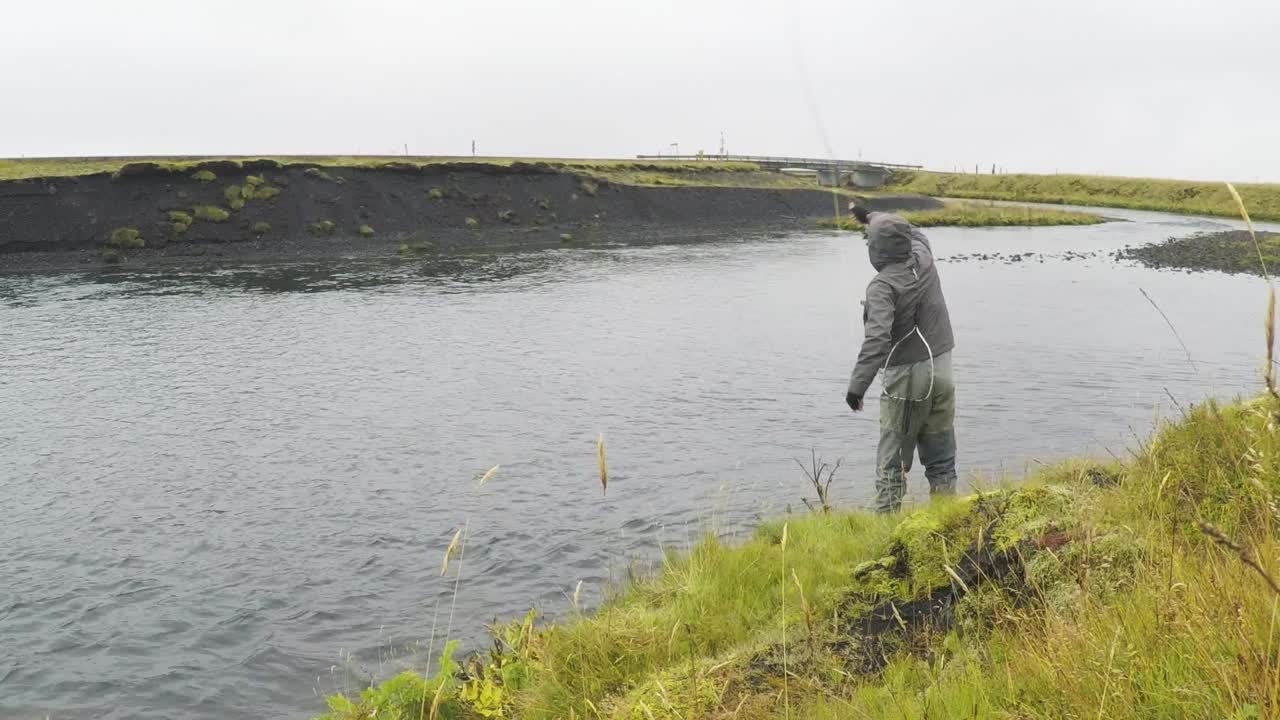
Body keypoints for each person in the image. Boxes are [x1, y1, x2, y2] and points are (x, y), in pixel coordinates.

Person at [845, 201, 957, 513]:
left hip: (908, 378)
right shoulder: (923, 257)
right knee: (941, 459)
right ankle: (948, 520)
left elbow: (877, 340)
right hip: (943, 369)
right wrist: (869, 215)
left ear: (876, 250)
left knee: (890, 464)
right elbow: (914, 231)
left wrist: (857, 388)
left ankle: (886, 531)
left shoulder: (882, 286)